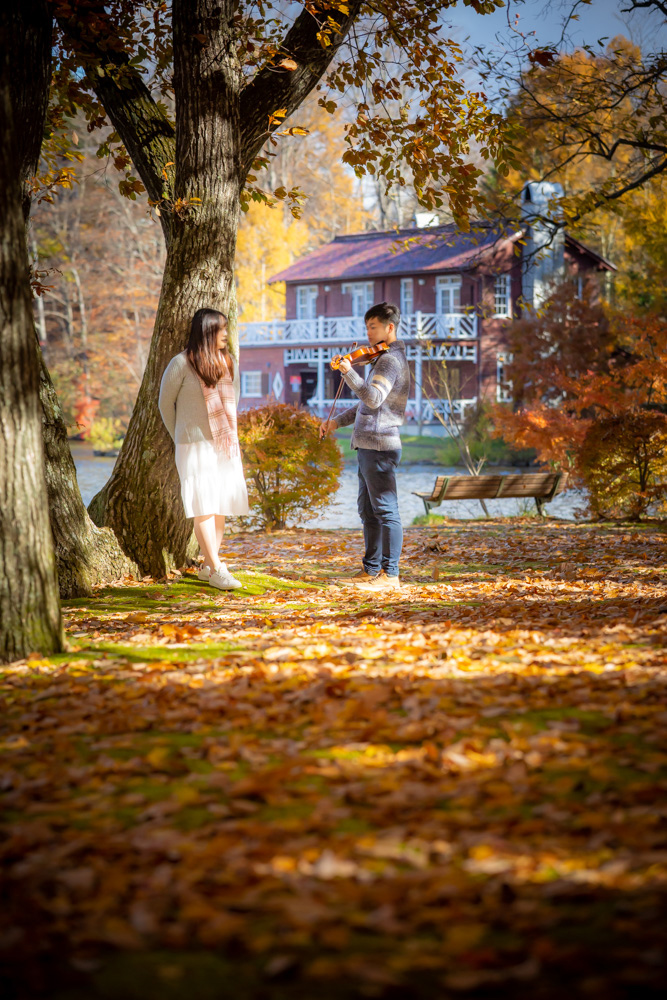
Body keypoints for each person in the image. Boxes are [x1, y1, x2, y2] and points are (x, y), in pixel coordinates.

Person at [320, 301, 410, 591]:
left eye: (374, 327)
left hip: (380, 445)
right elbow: (365, 408)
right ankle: (371, 570)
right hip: (367, 444)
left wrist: (348, 372)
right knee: (368, 511)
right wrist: (335, 422)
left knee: (385, 509)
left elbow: (373, 398)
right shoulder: (379, 358)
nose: (369, 333)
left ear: (390, 327)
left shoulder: (389, 361)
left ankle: (391, 575)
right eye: (367, 326)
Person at [159, 308, 249, 590]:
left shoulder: (228, 362)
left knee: (219, 504)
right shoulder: (180, 364)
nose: (225, 334)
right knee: (203, 506)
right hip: (193, 446)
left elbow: (235, 397)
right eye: (221, 329)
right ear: (207, 331)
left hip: (224, 444)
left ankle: (209, 566)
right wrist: (181, 435)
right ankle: (218, 568)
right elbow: (165, 404)